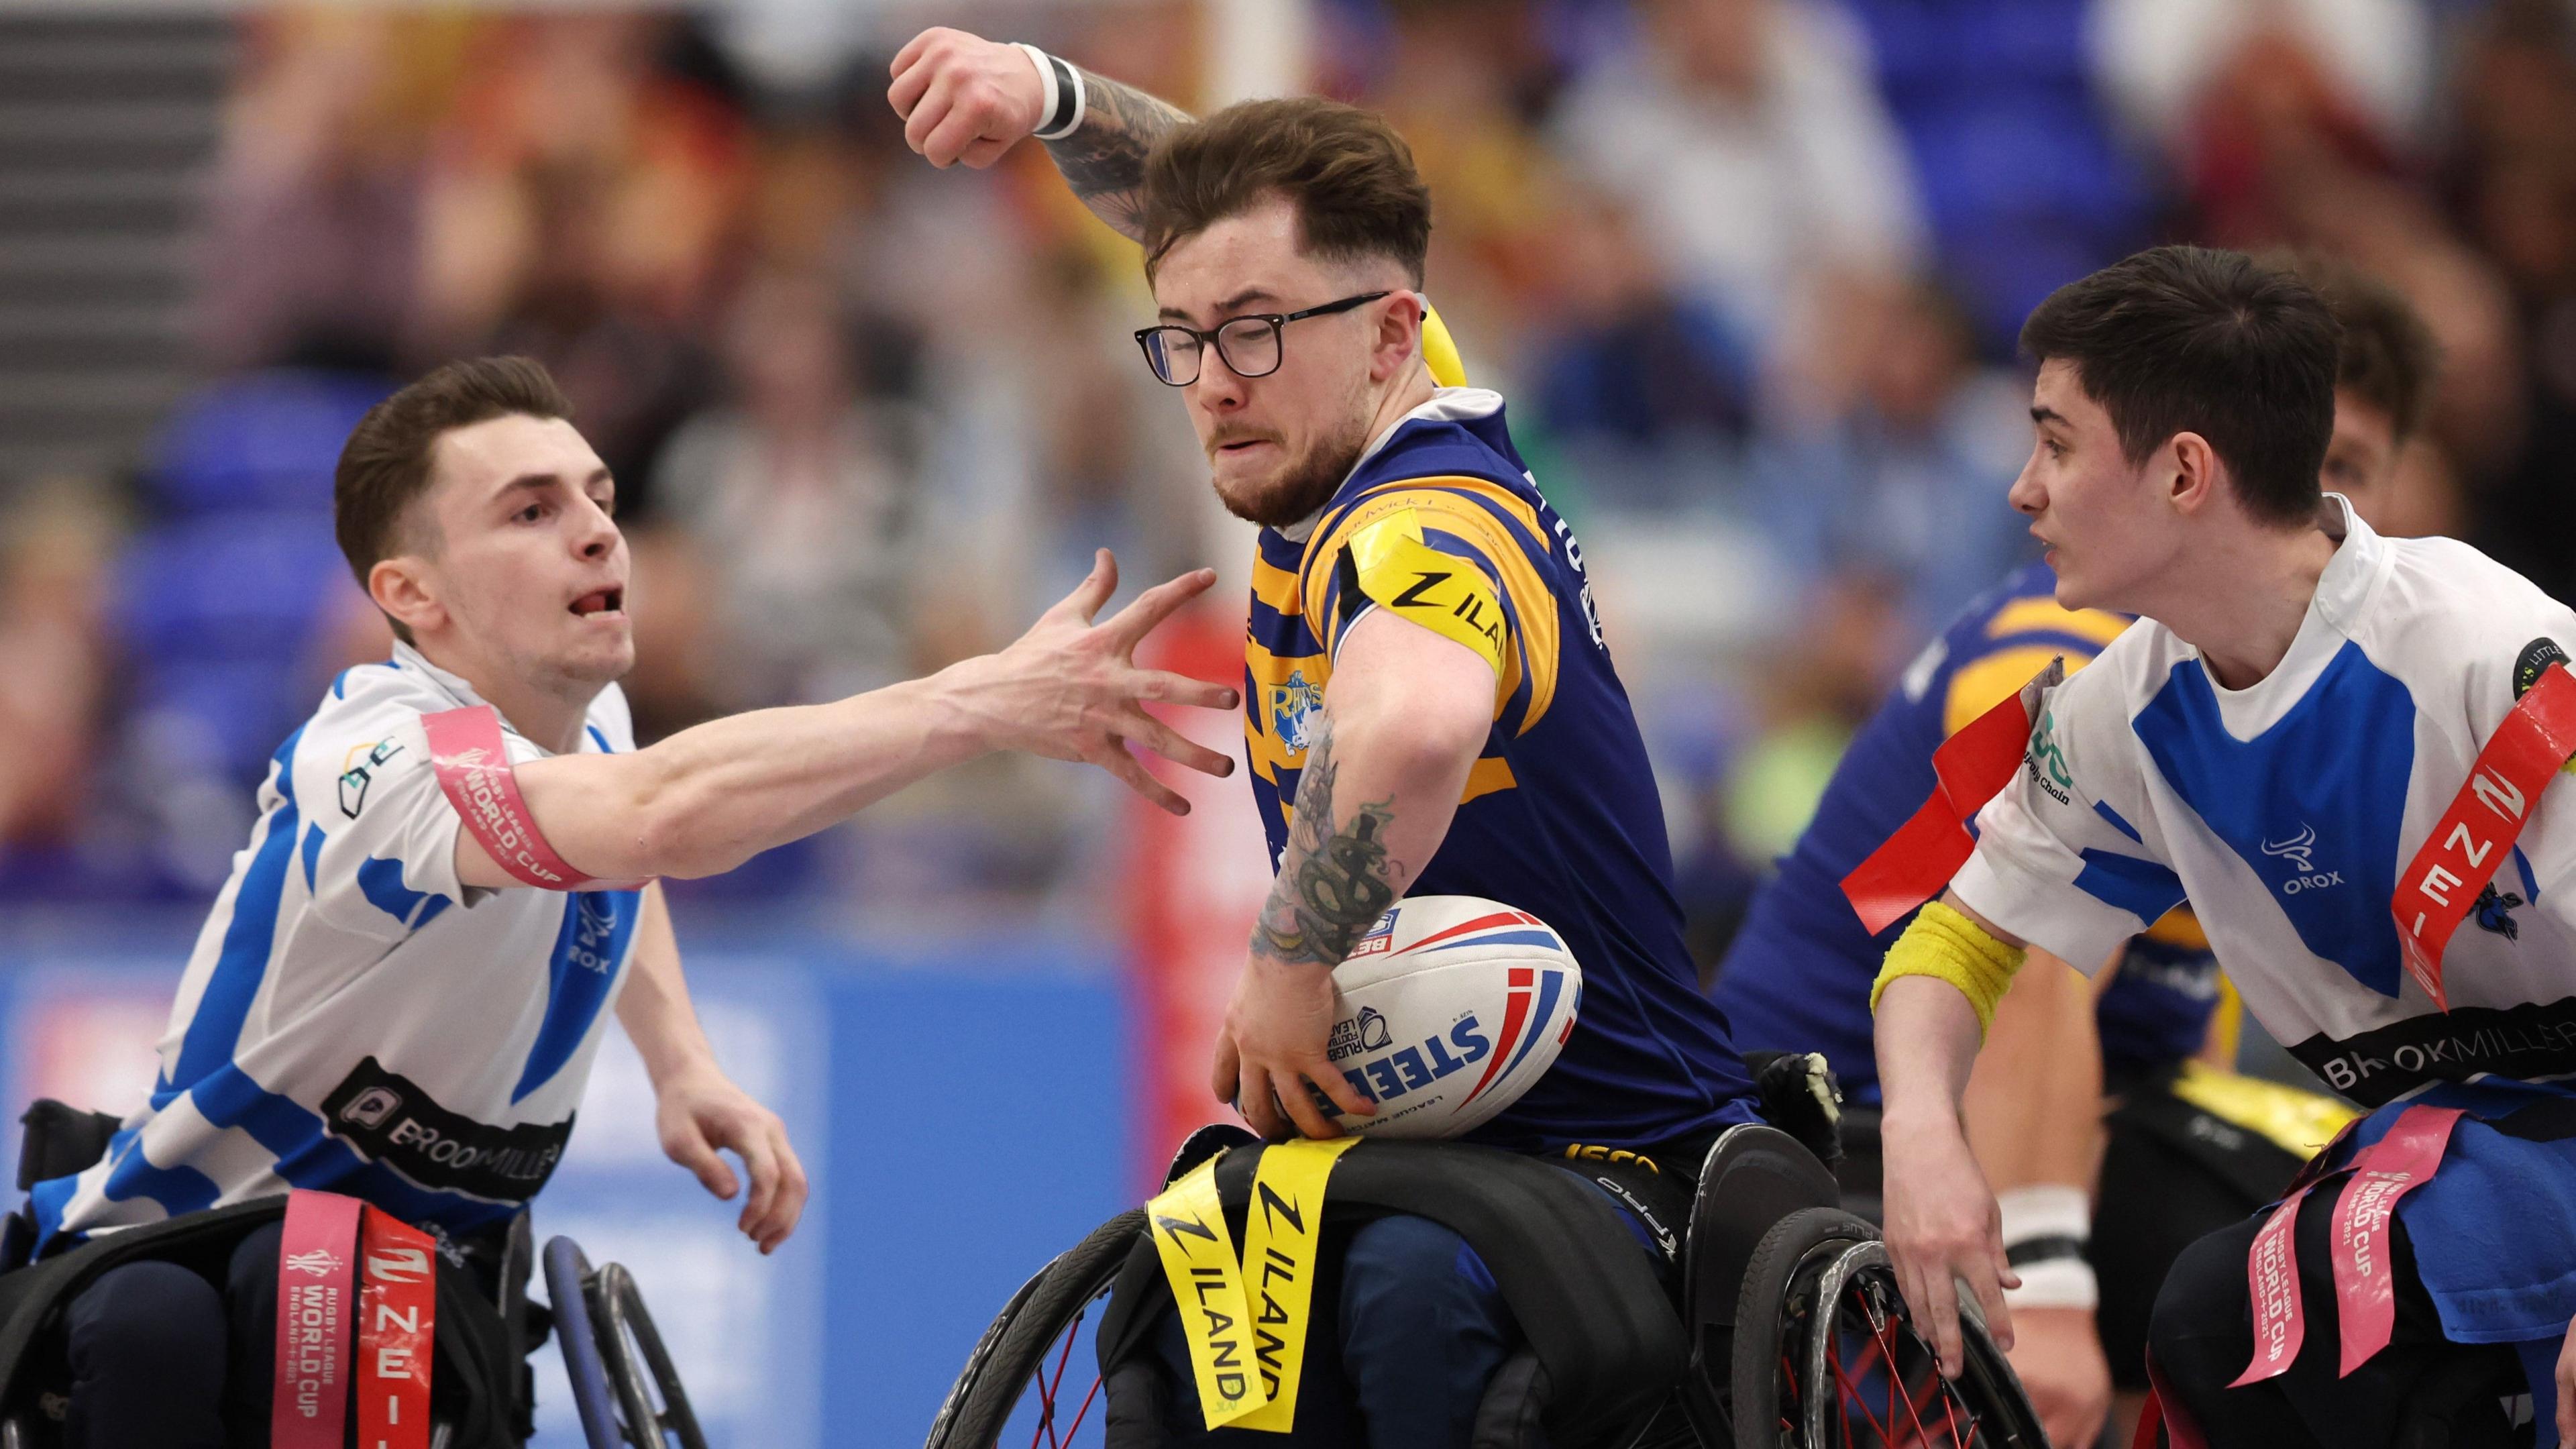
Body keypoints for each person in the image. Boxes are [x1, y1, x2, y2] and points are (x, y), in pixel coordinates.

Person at [28, 356, 1238, 1448]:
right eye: (532, 511)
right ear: (416, 594)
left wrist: (680, 1063)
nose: (600, 534)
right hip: (186, 1270)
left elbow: (612, 844)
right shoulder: (387, 763)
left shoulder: (580, 725)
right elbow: (651, 820)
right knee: (270, 1299)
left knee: (363, 1287)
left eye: (599, 496)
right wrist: (977, 700)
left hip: (410, 1282)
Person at [891, 30, 1764, 1447]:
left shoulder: (1430, 517)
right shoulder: (1367, 406)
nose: (1214, 381)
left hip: (1618, 1157)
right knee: (1182, 1309)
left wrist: (1290, 960)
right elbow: (1239, 229)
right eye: (1182, 338)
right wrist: (1051, 100)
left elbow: (1416, 726)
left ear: (1389, 333)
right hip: (1409, 1148)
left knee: (1401, 1301)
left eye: (1253, 334)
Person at [1711, 254, 2441, 1446]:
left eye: (2347, 474)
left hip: (2067, 1118)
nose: (2308, 505)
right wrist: (2051, 1293)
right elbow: (2037, 974)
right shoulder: (2069, 651)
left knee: (2356, 1196)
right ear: (2197, 470)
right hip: (1837, 1135)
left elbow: (2186, 1020)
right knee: (2298, 1240)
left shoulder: (2334, 671)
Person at [1866, 244, 2576, 1447]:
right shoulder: (2119, 708)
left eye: (2055, 442)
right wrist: (1920, 1136)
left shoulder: (2485, 648)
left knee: (2262, 1306)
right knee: (2226, 1316)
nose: (2021, 489)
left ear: (2185, 472)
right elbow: (1953, 939)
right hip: (2458, 1126)